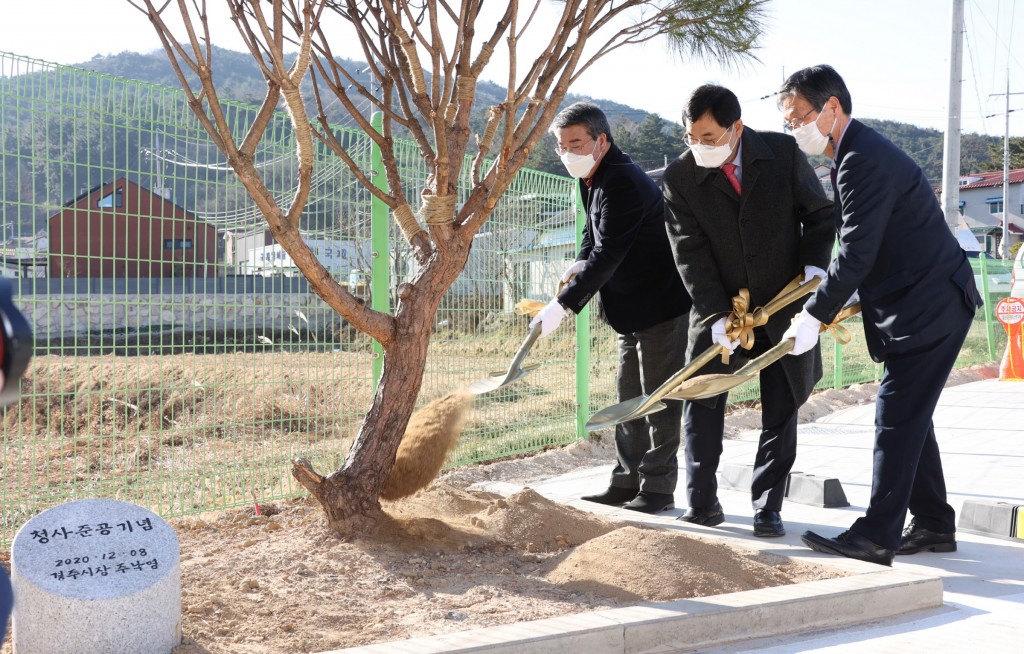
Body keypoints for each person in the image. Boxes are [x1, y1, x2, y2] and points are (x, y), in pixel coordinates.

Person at [778, 65, 981, 566]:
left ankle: (876, 534)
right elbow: (873, 249)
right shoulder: (854, 153)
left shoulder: (860, 160)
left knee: (895, 415)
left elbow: (857, 252)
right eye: (787, 122)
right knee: (912, 416)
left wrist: (814, 315)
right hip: (925, 300)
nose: (794, 128)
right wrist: (836, 302)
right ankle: (933, 523)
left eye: (798, 117)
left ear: (831, 108)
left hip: (930, 306)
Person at [662, 84, 834, 537]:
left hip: (782, 303)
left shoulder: (780, 152)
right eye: (691, 137)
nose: (700, 146)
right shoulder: (680, 177)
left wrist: (814, 264)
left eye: (710, 137)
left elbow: (820, 214)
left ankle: (767, 506)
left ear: (736, 128)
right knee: (701, 399)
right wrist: (716, 314)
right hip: (719, 309)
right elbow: (689, 251)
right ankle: (701, 502)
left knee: (782, 404)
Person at [530, 102, 691, 514]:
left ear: (601, 141)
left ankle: (657, 489)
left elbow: (611, 253)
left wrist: (564, 306)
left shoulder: (622, 179)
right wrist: (580, 258)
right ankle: (626, 480)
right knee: (627, 399)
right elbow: (592, 233)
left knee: (658, 398)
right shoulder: (591, 177)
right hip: (628, 307)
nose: (568, 152)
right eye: (562, 145)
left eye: (577, 143)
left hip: (659, 303)